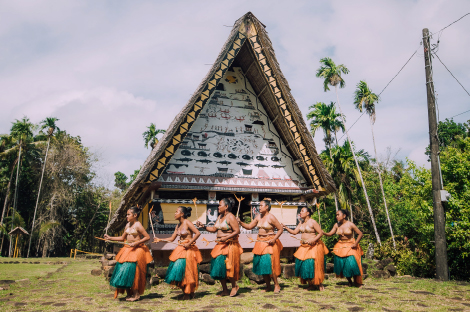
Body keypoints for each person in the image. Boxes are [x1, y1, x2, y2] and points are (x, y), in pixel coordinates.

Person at [196, 197, 243, 297]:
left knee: (228, 267)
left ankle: (234, 286)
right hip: (220, 245)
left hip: (229, 245)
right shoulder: (220, 216)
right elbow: (214, 229)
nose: (218, 207)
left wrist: (226, 238)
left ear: (226, 206)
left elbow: (237, 231)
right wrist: (203, 226)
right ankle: (225, 290)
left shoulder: (230, 217)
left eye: (220, 205)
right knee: (219, 267)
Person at [105, 206, 153, 301]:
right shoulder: (127, 225)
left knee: (133, 272)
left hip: (136, 251)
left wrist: (136, 243)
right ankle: (128, 294)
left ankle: (136, 294)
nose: (126, 216)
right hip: (127, 250)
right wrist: (110, 237)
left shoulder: (138, 225)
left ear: (135, 215)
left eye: (128, 214)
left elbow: (147, 237)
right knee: (124, 270)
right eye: (126, 214)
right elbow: (122, 238)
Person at [153, 206, 202, 300]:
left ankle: (188, 294)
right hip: (180, 249)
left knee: (187, 272)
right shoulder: (178, 225)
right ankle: (188, 293)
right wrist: (160, 239)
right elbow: (172, 239)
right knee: (179, 271)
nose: (175, 213)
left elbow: (197, 233)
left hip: (188, 250)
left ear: (182, 214)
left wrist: (189, 243)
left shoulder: (187, 222)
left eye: (176, 212)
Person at [238, 198, 283, 293]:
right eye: (259, 206)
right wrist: (241, 223)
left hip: (270, 242)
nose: (259, 207)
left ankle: (276, 285)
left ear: (267, 207)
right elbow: (250, 226)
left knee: (271, 264)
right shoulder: (258, 217)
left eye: (261, 205)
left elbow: (280, 229)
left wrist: (274, 239)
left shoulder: (271, 217)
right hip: (260, 242)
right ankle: (268, 286)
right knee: (263, 264)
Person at [282, 206, 328, 291]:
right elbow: (295, 232)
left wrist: (313, 240)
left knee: (313, 265)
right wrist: (286, 227)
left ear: (308, 213)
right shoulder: (301, 223)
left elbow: (320, 233)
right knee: (304, 265)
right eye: (300, 211)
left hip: (313, 246)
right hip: (304, 246)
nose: (300, 212)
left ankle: (319, 283)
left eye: (302, 211)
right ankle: (311, 284)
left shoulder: (313, 222)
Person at [323, 209, 364, 287]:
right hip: (340, 246)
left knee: (352, 263)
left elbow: (360, 234)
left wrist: (355, 244)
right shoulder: (336, 225)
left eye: (338, 214)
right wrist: (323, 233)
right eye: (336, 215)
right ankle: (349, 282)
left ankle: (357, 282)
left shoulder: (350, 224)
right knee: (343, 264)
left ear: (344, 216)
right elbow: (330, 233)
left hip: (351, 245)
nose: (336, 216)